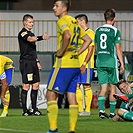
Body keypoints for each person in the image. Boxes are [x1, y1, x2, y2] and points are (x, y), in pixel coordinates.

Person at [46, 0, 92, 133]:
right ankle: (72, 129)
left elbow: (67, 35)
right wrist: (77, 52)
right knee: (71, 96)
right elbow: (88, 40)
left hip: (64, 64)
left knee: (50, 93)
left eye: (56, 6)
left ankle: (53, 128)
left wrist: (61, 51)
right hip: (75, 65)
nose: (54, 8)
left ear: (64, 8)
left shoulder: (62, 21)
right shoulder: (75, 22)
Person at [94, 8, 125, 119]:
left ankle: (102, 111)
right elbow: (118, 48)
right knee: (112, 88)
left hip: (100, 61)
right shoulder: (115, 31)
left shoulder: (97, 30)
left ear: (104, 18)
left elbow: (96, 47)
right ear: (114, 18)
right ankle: (112, 113)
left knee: (103, 88)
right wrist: (121, 63)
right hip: (111, 62)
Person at [18, 14, 50, 116]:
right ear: (24, 23)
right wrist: (42, 37)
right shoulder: (23, 33)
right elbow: (30, 39)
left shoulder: (31, 33)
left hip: (33, 62)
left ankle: (35, 109)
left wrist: (37, 62)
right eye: (30, 22)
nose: (32, 24)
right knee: (26, 85)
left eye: (32, 22)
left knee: (36, 85)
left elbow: (33, 50)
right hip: (26, 62)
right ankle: (25, 110)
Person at [75, 14, 95, 116]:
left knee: (86, 85)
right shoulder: (79, 34)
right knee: (76, 85)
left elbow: (90, 51)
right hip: (77, 64)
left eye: (77, 22)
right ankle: (80, 109)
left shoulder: (90, 33)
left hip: (86, 65)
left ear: (82, 21)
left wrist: (84, 63)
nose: (76, 24)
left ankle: (87, 110)